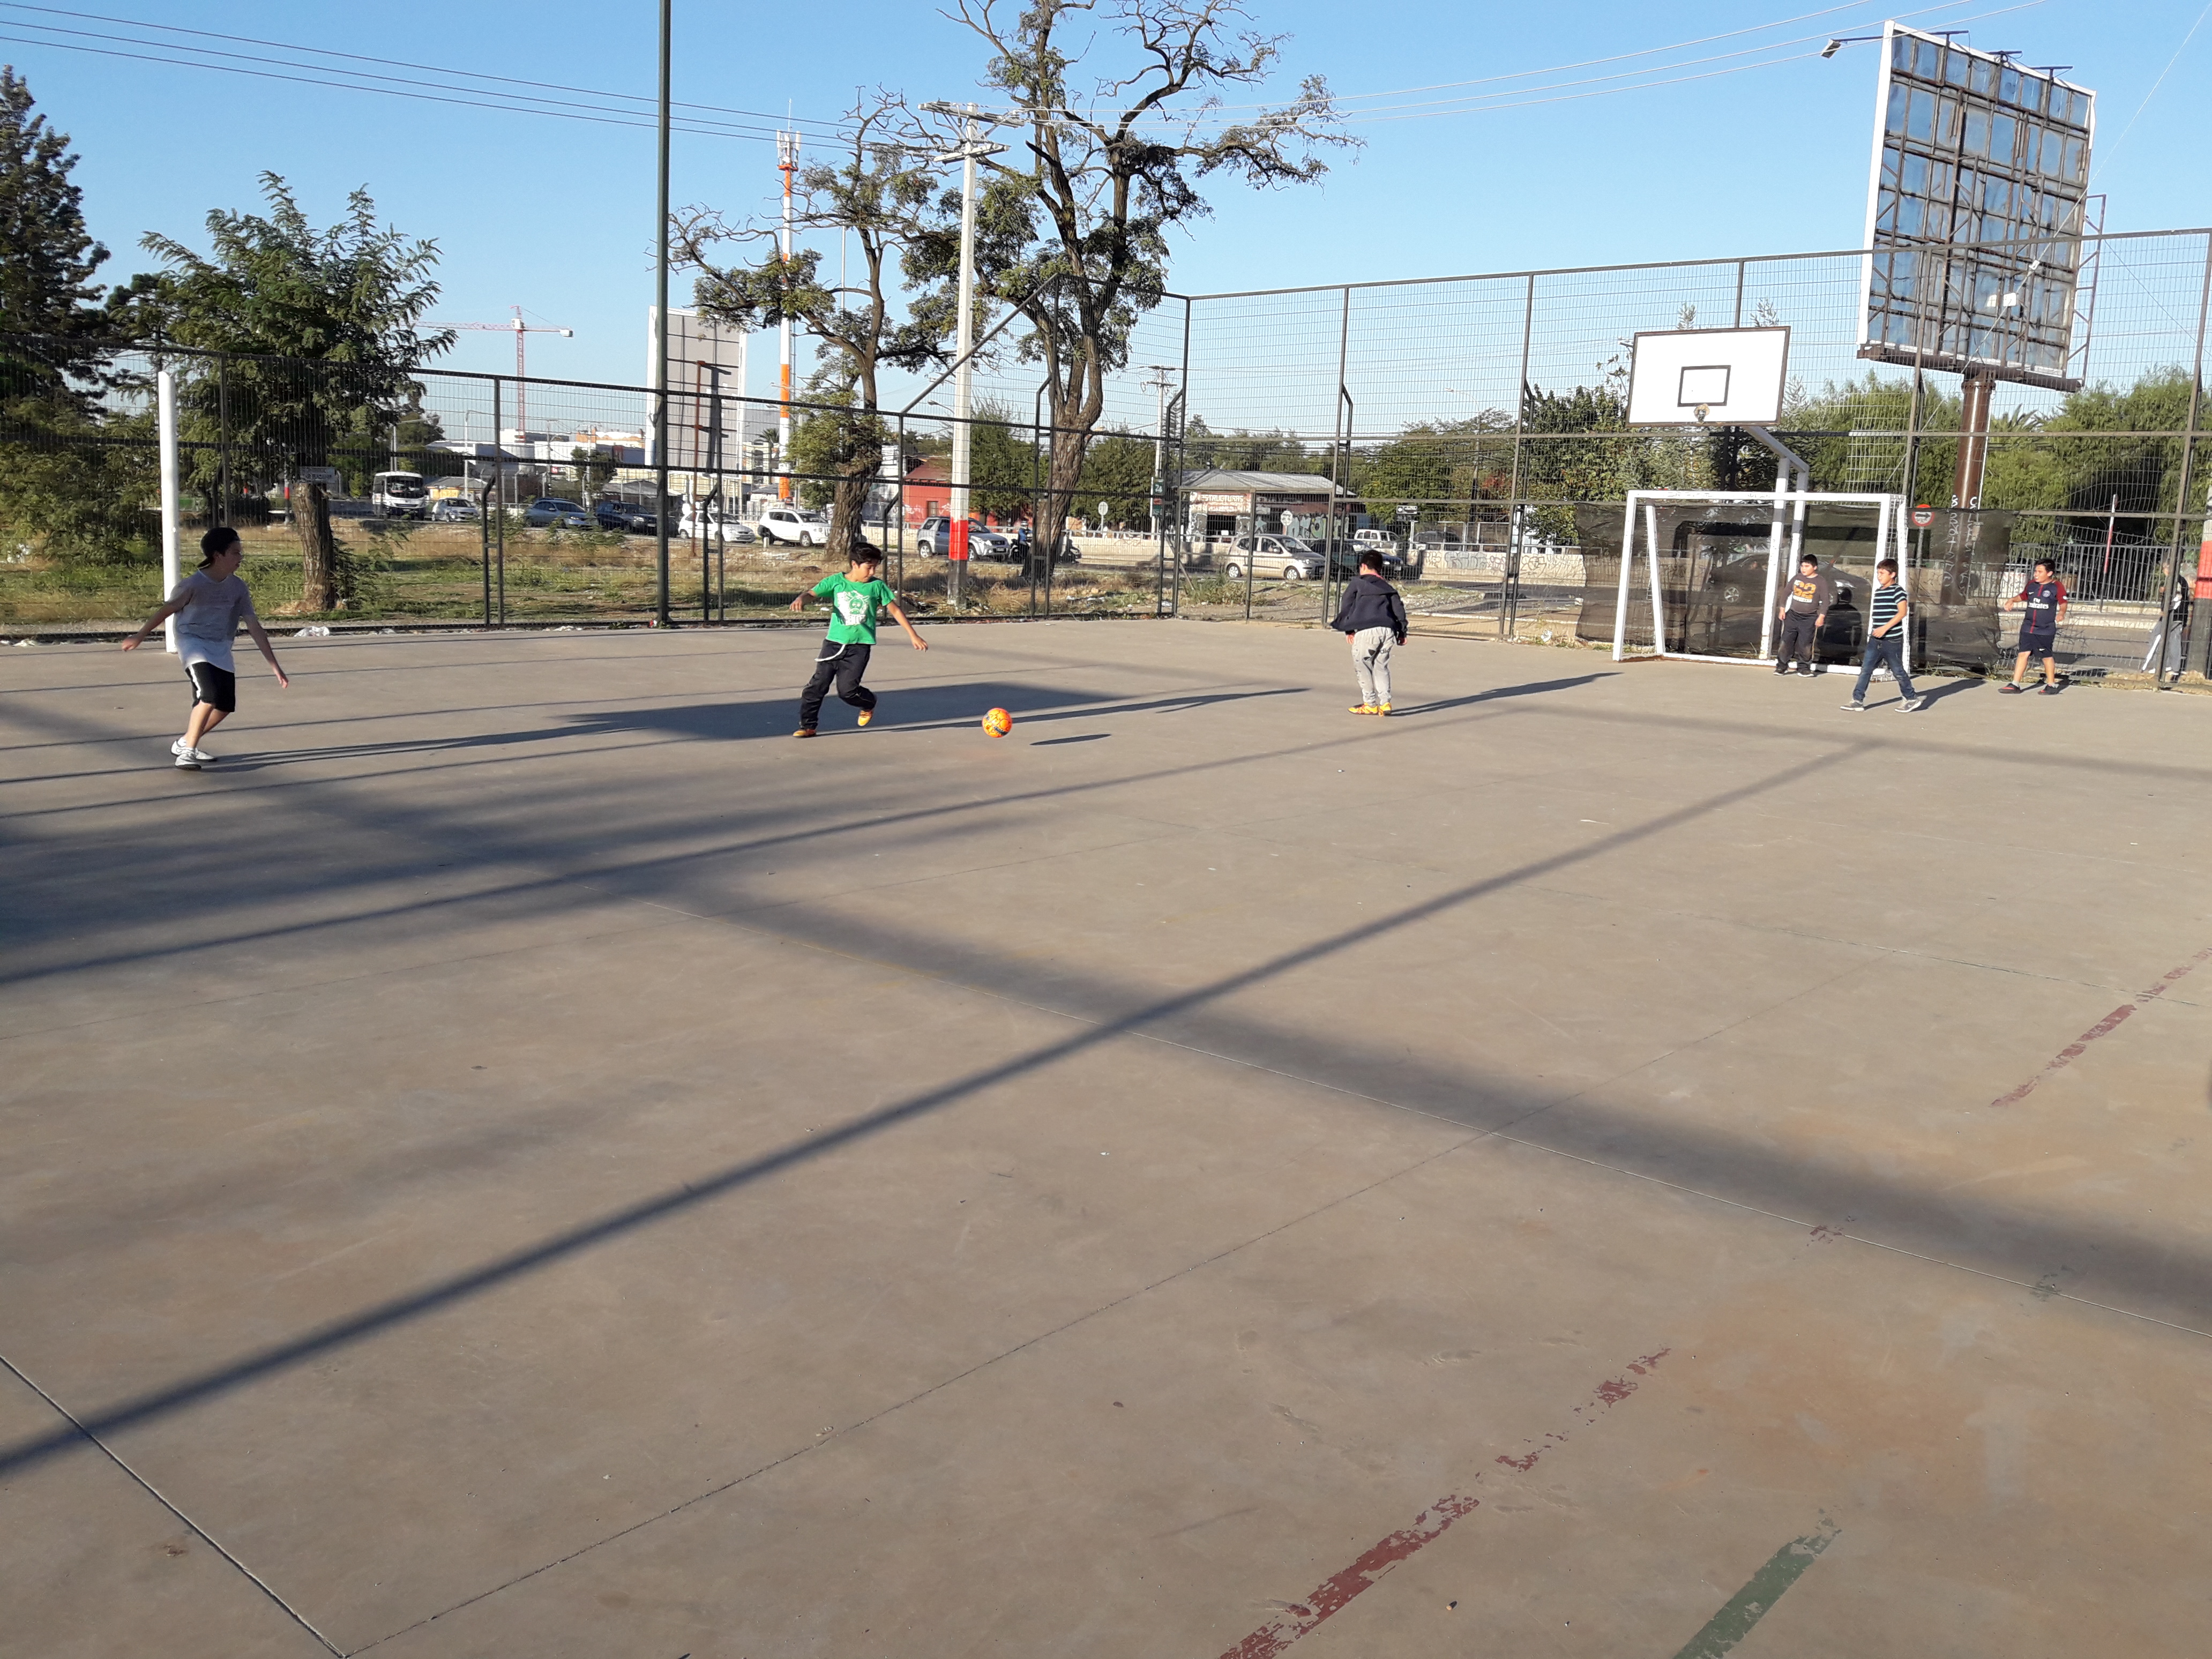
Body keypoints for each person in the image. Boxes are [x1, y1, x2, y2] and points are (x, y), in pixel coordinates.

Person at [121, 525, 289, 768]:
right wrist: (139, 636)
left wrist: (275, 666)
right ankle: (187, 753)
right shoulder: (193, 585)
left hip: (221, 647)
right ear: (218, 555)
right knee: (208, 696)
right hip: (193, 643)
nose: (240, 557)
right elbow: (167, 610)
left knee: (225, 706)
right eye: (235, 553)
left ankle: (185, 741)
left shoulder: (238, 588)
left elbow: (254, 626)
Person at [789, 547, 926, 737]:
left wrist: (913, 635)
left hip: (859, 647)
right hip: (833, 645)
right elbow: (812, 594)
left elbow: (895, 610)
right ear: (855, 564)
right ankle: (808, 726)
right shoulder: (836, 581)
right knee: (816, 687)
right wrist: (800, 599)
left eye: (875, 567)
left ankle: (868, 703)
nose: (872, 572)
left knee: (848, 691)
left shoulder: (876, 586)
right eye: (869, 567)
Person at [1328, 547, 1409, 715]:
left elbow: (1347, 605)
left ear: (1363, 566)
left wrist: (1349, 629)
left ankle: (1370, 704)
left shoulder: (1357, 583)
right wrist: (1402, 632)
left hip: (1367, 632)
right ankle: (1385, 703)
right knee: (1381, 666)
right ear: (1380, 568)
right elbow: (1399, 609)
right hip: (1387, 632)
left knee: (1363, 665)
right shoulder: (1388, 588)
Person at [1840, 558, 1925, 713]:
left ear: (1892, 574)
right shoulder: (1879, 592)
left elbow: (1902, 613)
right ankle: (1857, 700)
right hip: (1875, 640)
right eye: (1878, 573)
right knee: (1866, 669)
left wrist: (1885, 629)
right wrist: (1876, 631)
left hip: (1892, 640)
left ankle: (1911, 698)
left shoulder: (1898, 591)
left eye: (1882, 573)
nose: (1879, 576)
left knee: (1898, 671)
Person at [2000, 558, 2068, 694]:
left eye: (2040, 572)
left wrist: (2061, 613)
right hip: (2028, 627)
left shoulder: (2056, 586)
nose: (2036, 574)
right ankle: (2015, 684)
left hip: (2045, 630)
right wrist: (2012, 600)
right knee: (2023, 653)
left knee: (2046, 656)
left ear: (2049, 573)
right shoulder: (2032, 585)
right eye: (2036, 571)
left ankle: (2051, 685)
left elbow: (2063, 603)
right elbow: (2023, 596)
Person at [1775, 552, 1832, 677]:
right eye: (1802, 566)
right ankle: (1782, 666)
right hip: (1793, 616)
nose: (1804, 569)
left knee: (1805, 644)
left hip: (1809, 618)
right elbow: (1786, 592)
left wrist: (1821, 616)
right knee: (1786, 642)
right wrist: (1782, 609)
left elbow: (1825, 601)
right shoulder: (1797, 578)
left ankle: (1804, 668)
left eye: (1807, 566)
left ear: (1815, 567)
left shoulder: (1820, 581)